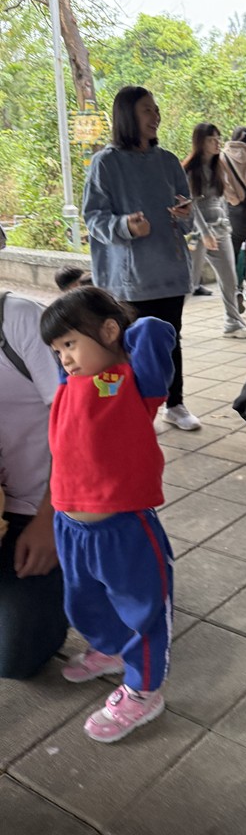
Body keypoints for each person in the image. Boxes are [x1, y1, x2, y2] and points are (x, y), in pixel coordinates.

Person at [40, 286, 175, 743]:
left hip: (123, 527)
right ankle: (112, 649)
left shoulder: (135, 383)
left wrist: (116, 331)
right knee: (84, 601)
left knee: (144, 609)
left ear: (111, 331)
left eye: (70, 343)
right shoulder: (68, 384)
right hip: (70, 525)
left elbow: (154, 330)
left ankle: (143, 690)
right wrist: (83, 340)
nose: (64, 358)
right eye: (57, 349)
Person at [82, 85, 201, 431]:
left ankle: (174, 403)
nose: (156, 116)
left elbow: (187, 216)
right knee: (129, 346)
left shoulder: (168, 162)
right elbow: (93, 219)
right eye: (147, 109)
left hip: (170, 271)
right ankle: (132, 409)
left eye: (155, 109)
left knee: (170, 341)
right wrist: (126, 226)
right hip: (128, 280)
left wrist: (185, 215)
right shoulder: (106, 163)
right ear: (127, 115)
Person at [0, 243, 68, 678]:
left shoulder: (21, 321)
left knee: (15, 658)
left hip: (39, 505)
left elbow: (82, 430)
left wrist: (49, 520)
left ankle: (98, 565)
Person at [183, 123, 246, 339]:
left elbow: (222, 200)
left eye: (218, 138)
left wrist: (224, 224)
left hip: (220, 228)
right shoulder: (189, 170)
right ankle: (171, 321)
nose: (217, 143)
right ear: (200, 142)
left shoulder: (218, 166)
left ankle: (233, 323)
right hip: (197, 233)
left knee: (229, 278)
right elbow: (191, 205)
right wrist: (204, 233)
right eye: (211, 139)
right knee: (191, 281)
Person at [221, 126, 246, 315]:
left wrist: (234, 200)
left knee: (233, 253)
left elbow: (222, 184)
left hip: (235, 211)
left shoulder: (224, 156)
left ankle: (234, 292)